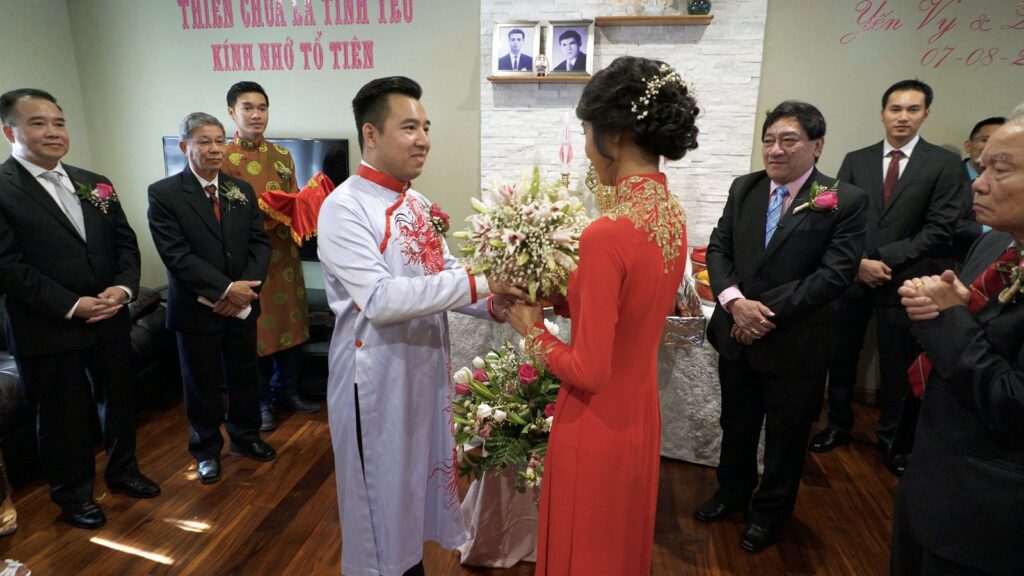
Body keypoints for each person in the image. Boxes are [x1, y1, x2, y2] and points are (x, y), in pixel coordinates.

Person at [317, 76, 520, 576]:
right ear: (370, 134)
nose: (423, 138)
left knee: (411, 493)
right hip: (376, 379)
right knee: (379, 503)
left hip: (424, 370)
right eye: (409, 127)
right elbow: (381, 300)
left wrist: (493, 303)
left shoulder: (419, 204)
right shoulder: (343, 208)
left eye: (426, 126)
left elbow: (446, 277)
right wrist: (480, 283)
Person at [503, 56, 695, 574]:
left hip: (593, 423)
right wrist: (562, 297)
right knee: (619, 549)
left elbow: (589, 370)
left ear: (612, 138)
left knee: (584, 551)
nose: (587, 146)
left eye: (587, 132)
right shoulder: (671, 215)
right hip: (639, 415)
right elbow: (633, 311)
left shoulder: (606, 231)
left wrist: (531, 330)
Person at [697, 101, 868, 552]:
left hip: (797, 342)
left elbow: (834, 275)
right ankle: (732, 494)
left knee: (786, 438)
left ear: (817, 145)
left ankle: (769, 514)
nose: (775, 150)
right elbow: (719, 249)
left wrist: (760, 313)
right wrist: (735, 304)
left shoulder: (844, 200)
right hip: (737, 336)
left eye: (788, 140)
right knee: (736, 423)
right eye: (769, 140)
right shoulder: (745, 188)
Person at [0, 88, 160, 529]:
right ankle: (73, 497)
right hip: (47, 326)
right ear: (9, 130)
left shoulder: (95, 182)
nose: (53, 131)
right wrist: (72, 305)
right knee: (61, 419)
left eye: (58, 121)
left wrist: (124, 290)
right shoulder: (3, 188)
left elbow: (125, 241)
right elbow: (7, 267)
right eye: (38, 123)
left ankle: (124, 470)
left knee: (120, 400)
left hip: (109, 316)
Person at [891, 110, 1024, 576]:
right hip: (931, 478)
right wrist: (933, 307)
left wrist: (950, 318)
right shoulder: (995, 247)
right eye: (981, 166)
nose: (978, 184)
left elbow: (1014, 403)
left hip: (989, 513)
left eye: (1000, 169)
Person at [810, 80, 964, 477]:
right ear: (882, 113)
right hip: (853, 275)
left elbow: (941, 227)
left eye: (912, 109)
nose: (902, 117)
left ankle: (891, 439)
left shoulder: (942, 164)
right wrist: (859, 261)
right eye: (895, 109)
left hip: (907, 280)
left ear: (925, 114)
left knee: (897, 364)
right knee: (841, 356)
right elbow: (837, 216)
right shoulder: (856, 159)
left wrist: (884, 260)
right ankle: (838, 425)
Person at [148, 112, 274, 485]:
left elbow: (259, 244)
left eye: (220, 140)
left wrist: (244, 292)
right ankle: (205, 451)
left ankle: (247, 437)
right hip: (196, 310)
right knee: (200, 383)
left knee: (244, 376)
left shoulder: (241, 190)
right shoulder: (164, 193)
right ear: (185, 146)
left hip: (242, 306)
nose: (215, 148)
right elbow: (177, 255)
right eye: (205, 141)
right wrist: (224, 290)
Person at [222, 81, 319, 432]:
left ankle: (287, 392)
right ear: (232, 112)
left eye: (262, 107)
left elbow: (292, 200)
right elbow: (226, 214)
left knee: (292, 326)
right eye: (248, 107)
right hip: (250, 261)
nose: (256, 114)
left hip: (286, 258)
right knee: (258, 333)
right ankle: (261, 402)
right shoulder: (225, 159)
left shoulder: (282, 156)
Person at [953, 117, 1004, 268]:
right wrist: (992, 230)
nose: (991, 146)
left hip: (997, 261)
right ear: (968, 146)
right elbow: (941, 222)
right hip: (951, 260)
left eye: (1000, 141)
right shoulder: (947, 176)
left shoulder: (1012, 181)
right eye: (985, 139)